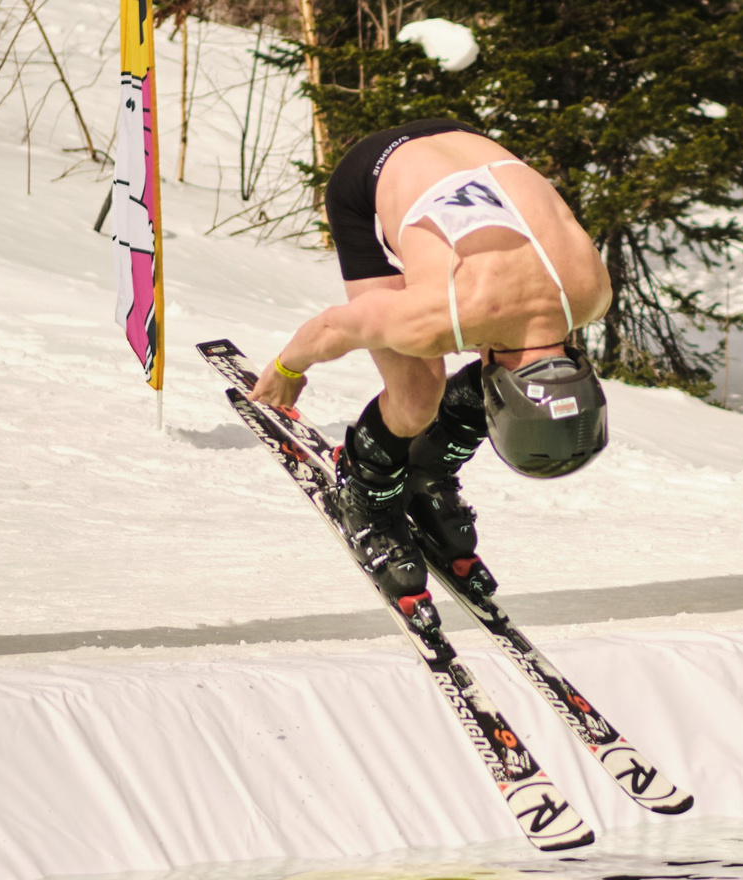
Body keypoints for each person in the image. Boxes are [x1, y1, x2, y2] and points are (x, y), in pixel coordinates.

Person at [252, 118, 613, 600]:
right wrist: (285, 370)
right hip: (373, 175)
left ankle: (425, 476)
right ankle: (366, 494)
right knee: (416, 397)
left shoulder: (592, 295)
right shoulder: (437, 318)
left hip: (463, 139)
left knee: (458, 368)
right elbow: (335, 327)